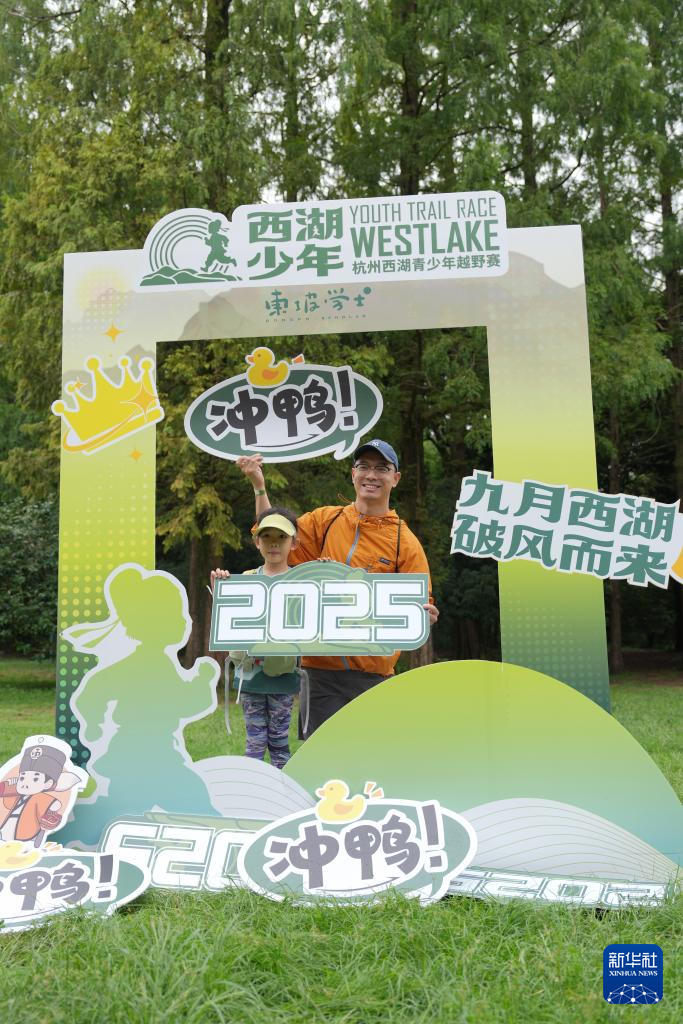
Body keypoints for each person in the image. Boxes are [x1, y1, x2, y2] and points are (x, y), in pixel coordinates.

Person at [236, 439, 438, 735]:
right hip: (319, 676)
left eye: (381, 468)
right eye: (364, 466)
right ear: (353, 474)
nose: (371, 475)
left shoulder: (404, 542)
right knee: (319, 760)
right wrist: (259, 485)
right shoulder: (325, 521)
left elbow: (421, 607)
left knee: (370, 758)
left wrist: (424, 617)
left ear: (395, 478)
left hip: (373, 678)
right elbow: (273, 536)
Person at [211, 507, 301, 768]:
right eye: (267, 536)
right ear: (256, 542)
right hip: (250, 678)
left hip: (283, 678)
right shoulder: (244, 580)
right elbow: (228, 618)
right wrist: (220, 589)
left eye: (281, 537)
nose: (274, 543)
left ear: (294, 543)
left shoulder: (303, 581)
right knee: (255, 744)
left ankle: (282, 791)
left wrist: (324, 572)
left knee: (279, 743)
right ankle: (252, 789)